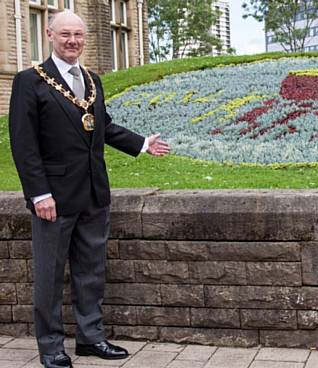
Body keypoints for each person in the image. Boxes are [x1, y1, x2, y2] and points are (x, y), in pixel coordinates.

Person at [8, 10, 170, 368]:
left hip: (95, 194)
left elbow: (102, 126)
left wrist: (142, 143)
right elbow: (23, 144)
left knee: (91, 272)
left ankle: (91, 338)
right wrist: (38, 194)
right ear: (49, 35)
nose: (73, 41)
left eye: (78, 35)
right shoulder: (29, 82)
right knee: (50, 276)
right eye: (65, 34)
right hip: (54, 198)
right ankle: (50, 346)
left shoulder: (92, 79)